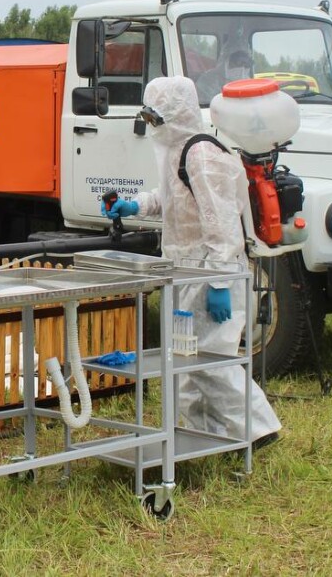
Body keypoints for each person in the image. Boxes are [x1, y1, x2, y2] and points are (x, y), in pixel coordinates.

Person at [103, 76, 282, 447]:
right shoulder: (177, 150)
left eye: (156, 117)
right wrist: (135, 205)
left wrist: (219, 282)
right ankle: (206, 434)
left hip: (211, 269)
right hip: (185, 270)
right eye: (148, 117)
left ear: (176, 113)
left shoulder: (202, 154)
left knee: (211, 361)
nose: (153, 126)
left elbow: (223, 223)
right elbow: (170, 196)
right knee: (185, 362)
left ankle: (259, 430)